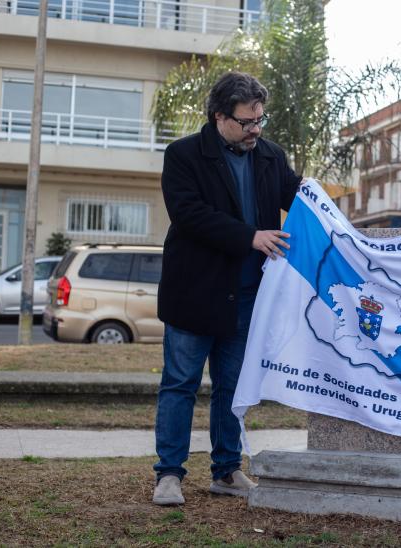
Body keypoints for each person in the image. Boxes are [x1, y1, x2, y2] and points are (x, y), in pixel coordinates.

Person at [153, 72, 301, 505]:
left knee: (233, 389)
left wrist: (336, 220)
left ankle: (226, 471)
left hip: (248, 296)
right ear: (219, 117)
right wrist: (250, 236)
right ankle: (169, 475)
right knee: (180, 384)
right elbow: (189, 214)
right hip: (193, 294)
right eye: (246, 121)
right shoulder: (183, 155)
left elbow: (300, 199)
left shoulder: (271, 156)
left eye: (260, 120)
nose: (256, 129)